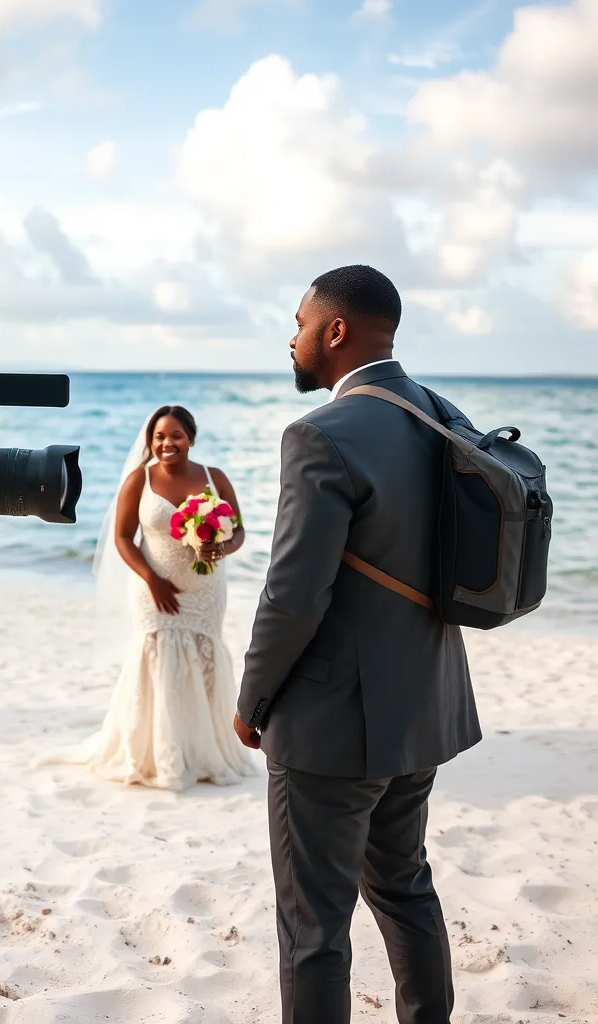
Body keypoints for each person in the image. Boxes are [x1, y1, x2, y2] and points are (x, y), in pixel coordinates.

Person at [234, 265, 481, 1023]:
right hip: (425, 708)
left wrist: (252, 701)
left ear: (334, 331)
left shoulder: (321, 434)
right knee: (406, 887)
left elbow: (292, 596)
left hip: (331, 727)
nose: (292, 336)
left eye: (300, 321)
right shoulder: (445, 415)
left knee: (314, 928)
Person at [42, 405, 258, 790]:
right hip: (152, 589)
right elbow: (122, 538)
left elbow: (238, 530)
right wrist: (151, 579)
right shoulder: (137, 481)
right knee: (158, 658)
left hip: (206, 590)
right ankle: (161, 755)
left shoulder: (214, 478)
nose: (166, 443)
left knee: (205, 656)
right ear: (150, 441)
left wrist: (222, 549)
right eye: (159, 437)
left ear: (190, 438)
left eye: (175, 435)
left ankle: (204, 751)